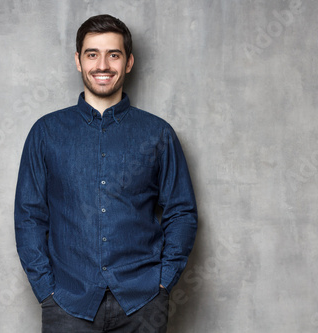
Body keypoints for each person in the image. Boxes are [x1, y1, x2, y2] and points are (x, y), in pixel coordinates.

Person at [14, 14, 197, 333]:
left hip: (142, 303)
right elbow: (29, 216)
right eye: (92, 54)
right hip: (67, 305)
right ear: (77, 60)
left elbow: (181, 212)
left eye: (113, 54)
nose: (102, 65)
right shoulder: (46, 133)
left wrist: (164, 283)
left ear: (128, 62)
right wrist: (47, 290)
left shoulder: (158, 134)